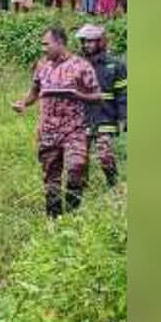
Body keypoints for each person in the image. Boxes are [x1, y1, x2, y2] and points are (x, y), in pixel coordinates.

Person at [12, 27, 101, 217]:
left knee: (76, 168)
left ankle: (72, 214)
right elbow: (35, 91)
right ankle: (54, 219)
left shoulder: (81, 66)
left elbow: (98, 96)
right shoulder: (41, 66)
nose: (43, 48)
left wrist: (77, 95)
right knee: (51, 179)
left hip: (74, 129)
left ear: (60, 43)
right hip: (48, 132)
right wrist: (23, 103)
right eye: (42, 44)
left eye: (46, 44)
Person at [77, 24, 127, 188]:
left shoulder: (115, 65)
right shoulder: (77, 64)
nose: (87, 45)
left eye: (91, 42)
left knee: (104, 154)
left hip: (105, 116)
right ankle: (81, 188)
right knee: (80, 156)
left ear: (100, 42)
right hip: (82, 116)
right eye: (84, 42)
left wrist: (124, 116)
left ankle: (113, 184)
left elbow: (122, 94)